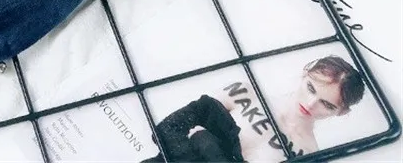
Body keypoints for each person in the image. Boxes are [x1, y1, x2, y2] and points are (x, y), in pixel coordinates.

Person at [142, 56, 365, 162]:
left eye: (327, 104)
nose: (310, 104)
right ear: (305, 72)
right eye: (310, 88)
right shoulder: (244, 92)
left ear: (342, 112)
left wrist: (205, 142)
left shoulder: (310, 154)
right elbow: (167, 130)